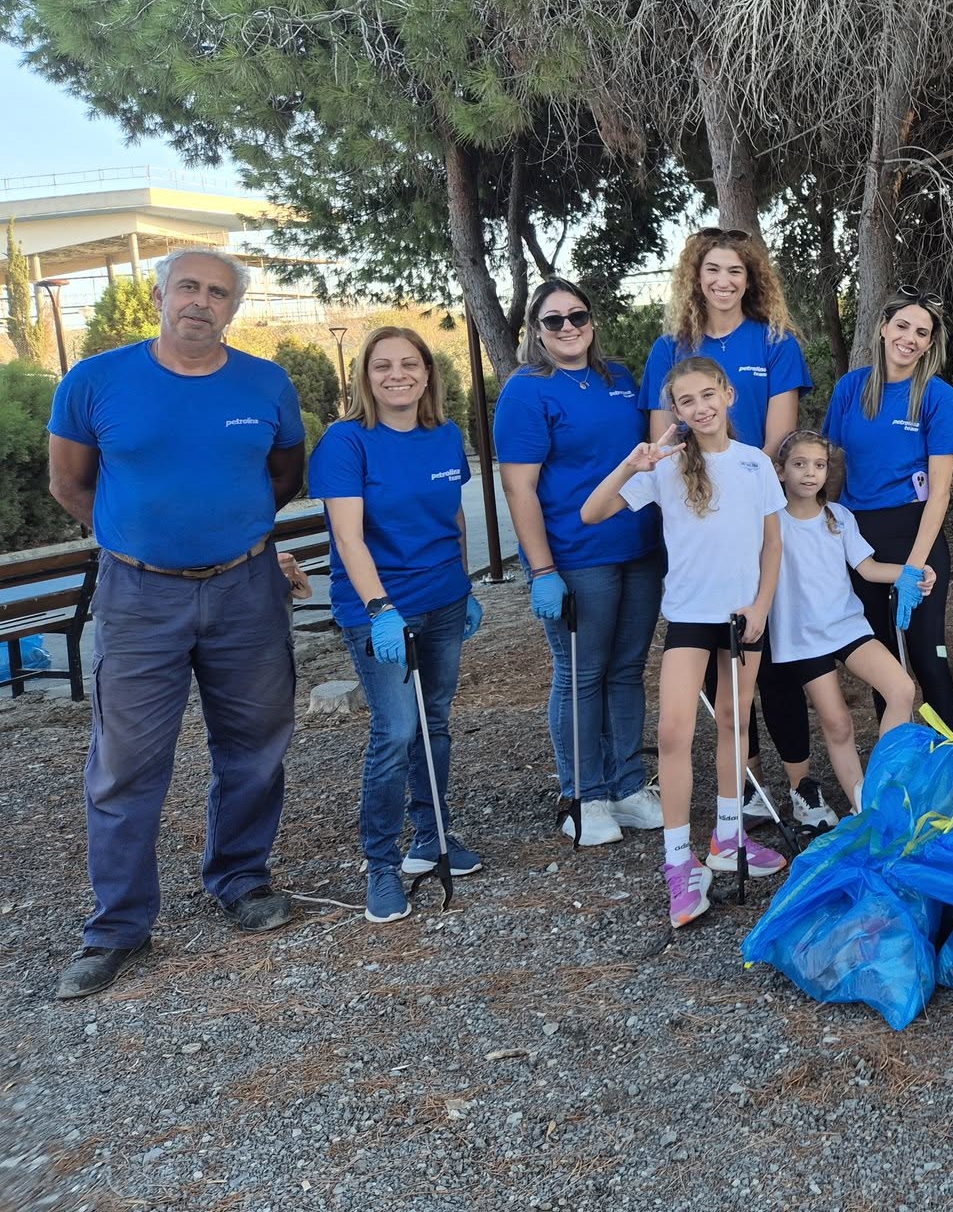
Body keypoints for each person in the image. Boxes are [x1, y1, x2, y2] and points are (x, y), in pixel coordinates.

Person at [46, 249, 304, 999]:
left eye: (218, 292)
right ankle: (118, 927)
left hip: (246, 590)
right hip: (138, 598)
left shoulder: (267, 384)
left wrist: (232, 533)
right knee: (125, 764)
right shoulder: (94, 380)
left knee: (254, 747)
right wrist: (138, 540)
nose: (201, 301)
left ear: (233, 308)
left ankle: (242, 879)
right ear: (159, 295)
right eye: (188, 286)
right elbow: (69, 482)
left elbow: (286, 474)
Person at [583, 357, 788, 928]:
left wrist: (762, 606)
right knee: (673, 733)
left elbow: (773, 545)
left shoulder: (754, 463)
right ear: (674, 411)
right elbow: (591, 512)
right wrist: (631, 465)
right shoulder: (666, 465)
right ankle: (679, 861)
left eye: (708, 394)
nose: (701, 408)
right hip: (690, 617)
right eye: (687, 401)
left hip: (742, 617)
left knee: (734, 722)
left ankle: (728, 837)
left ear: (728, 394)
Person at [641, 227, 816, 830]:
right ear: (696, 276)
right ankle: (743, 791)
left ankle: (802, 785)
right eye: (712, 269)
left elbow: (779, 442)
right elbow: (665, 444)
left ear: (751, 278)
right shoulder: (670, 347)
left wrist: (742, 494)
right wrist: (707, 497)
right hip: (699, 522)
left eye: (735, 270)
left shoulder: (774, 341)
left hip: (759, 513)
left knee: (773, 656)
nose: (723, 281)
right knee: (726, 675)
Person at [311, 327, 485, 923]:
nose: (397, 375)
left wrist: (464, 586)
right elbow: (349, 538)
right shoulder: (346, 442)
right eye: (382, 365)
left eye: (409, 363)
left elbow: (453, 519)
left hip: (444, 602)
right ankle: (381, 864)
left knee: (434, 721)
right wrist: (381, 609)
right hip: (379, 611)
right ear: (365, 376)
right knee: (395, 730)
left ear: (428, 372)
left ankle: (430, 837)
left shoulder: (445, 436)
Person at [495, 278, 664, 848]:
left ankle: (626, 786)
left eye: (578, 316)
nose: (568, 327)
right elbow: (519, 488)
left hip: (639, 548)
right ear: (536, 331)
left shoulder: (620, 378)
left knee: (627, 670)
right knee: (581, 674)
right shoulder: (526, 391)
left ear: (591, 321)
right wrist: (542, 570)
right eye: (553, 320)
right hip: (575, 555)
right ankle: (583, 795)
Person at [822, 288, 953, 736]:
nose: (909, 338)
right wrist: (826, 529)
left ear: (929, 344)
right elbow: (834, 464)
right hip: (861, 537)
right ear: (884, 328)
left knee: (926, 655)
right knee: (883, 659)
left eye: (921, 332)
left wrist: (913, 568)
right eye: (902, 326)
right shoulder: (851, 388)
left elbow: (940, 494)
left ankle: (944, 760)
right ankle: (897, 759)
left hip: (914, 531)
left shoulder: (937, 396)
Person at [764, 431, 928, 815]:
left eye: (819, 465)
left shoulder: (839, 517)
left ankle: (881, 787)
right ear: (780, 471)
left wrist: (910, 573)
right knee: (838, 723)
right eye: (800, 464)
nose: (810, 473)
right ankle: (862, 807)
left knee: (902, 688)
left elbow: (867, 568)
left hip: (847, 626)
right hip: (803, 638)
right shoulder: (770, 522)